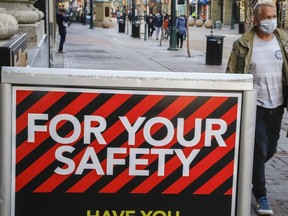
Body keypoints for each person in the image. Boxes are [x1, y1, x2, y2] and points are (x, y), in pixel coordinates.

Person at [226, 1, 288, 215]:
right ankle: (261, 195)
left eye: (274, 16)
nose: (272, 21)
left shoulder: (283, 41)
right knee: (260, 149)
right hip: (256, 105)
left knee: (270, 148)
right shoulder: (243, 43)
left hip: (278, 105)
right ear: (255, 20)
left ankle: (246, 171)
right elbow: (232, 74)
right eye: (267, 17)